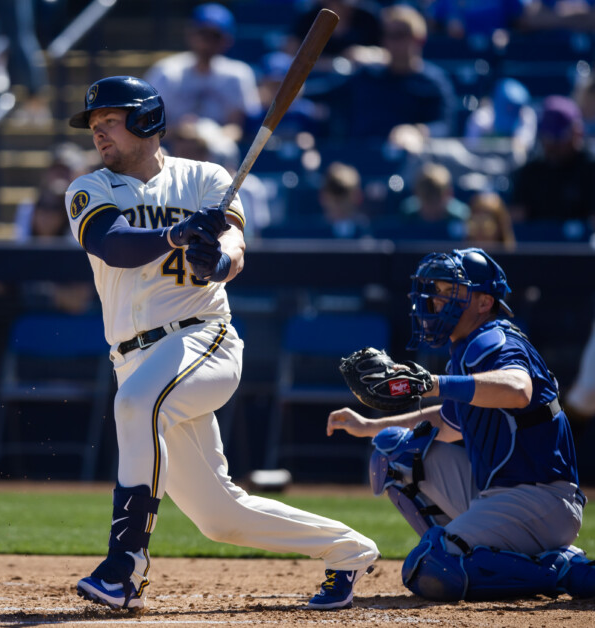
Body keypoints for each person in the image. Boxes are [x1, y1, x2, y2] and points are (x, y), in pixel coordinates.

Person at [64, 75, 379, 613]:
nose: (99, 134)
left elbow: (234, 242)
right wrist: (176, 235)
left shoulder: (205, 178)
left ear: (145, 121)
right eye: (94, 125)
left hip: (201, 338)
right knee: (220, 517)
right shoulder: (88, 188)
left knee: (138, 405)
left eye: (110, 121)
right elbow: (112, 245)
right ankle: (350, 550)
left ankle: (125, 567)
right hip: (134, 357)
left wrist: (220, 262)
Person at [327, 247, 595, 601]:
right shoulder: (466, 350)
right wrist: (369, 425)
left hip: (540, 498)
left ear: (483, 303)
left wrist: (432, 383)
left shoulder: (494, 338)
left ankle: (565, 572)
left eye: (448, 292)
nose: (435, 300)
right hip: (502, 492)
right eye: (436, 291)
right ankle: (482, 553)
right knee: (394, 451)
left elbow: (518, 388)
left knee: (430, 567)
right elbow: (446, 421)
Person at [315, 4, 457, 140]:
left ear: (420, 39)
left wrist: (418, 132)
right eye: (388, 35)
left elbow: (445, 126)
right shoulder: (367, 76)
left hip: (409, 159)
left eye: (400, 34)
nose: (393, 42)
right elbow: (326, 92)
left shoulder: (433, 82)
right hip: (361, 158)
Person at [144, 3, 261, 136]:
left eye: (215, 36)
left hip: (218, 147)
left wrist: (211, 136)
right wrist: (181, 131)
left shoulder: (238, 73)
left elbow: (236, 126)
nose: (207, 42)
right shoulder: (167, 71)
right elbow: (150, 124)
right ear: (190, 34)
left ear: (227, 40)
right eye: (203, 34)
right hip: (172, 145)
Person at [509, 95, 595, 225]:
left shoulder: (591, 168)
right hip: (536, 244)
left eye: (559, 138)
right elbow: (517, 219)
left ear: (577, 133)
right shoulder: (530, 172)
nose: (552, 145)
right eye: (548, 137)